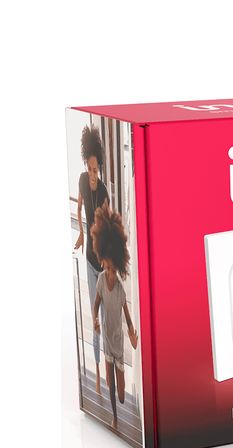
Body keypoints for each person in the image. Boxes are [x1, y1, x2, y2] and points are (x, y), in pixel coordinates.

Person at [73, 126, 110, 395]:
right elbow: (79, 206)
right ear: (86, 164)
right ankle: (96, 370)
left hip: (103, 263)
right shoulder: (83, 181)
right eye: (90, 168)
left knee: (106, 319)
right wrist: (81, 233)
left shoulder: (104, 191)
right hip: (88, 260)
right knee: (94, 316)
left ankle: (108, 370)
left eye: (96, 169)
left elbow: (108, 229)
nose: (93, 173)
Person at [92, 206, 139, 411]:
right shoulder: (101, 280)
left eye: (114, 269)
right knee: (109, 386)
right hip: (107, 339)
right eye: (108, 268)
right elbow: (96, 303)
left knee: (120, 395)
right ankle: (113, 417)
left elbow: (127, 316)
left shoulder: (120, 289)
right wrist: (94, 319)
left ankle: (117, 404)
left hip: (118, 344)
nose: (111, 273)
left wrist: (132, 334)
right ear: (103, 261)